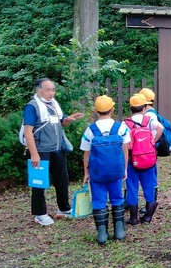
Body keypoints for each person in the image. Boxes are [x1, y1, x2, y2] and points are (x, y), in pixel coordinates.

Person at [21, 78, 84, 226]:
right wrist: (34, 153)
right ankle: (39, 213)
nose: (51, 93)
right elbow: (28, 132)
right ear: (38, 90)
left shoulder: (54, 105)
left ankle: (64, 208)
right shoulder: (32, 107)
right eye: (47, 90)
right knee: (39, 182)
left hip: (57, 148)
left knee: (62, 179)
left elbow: (60, 122)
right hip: (40, 150)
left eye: (53, 90)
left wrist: (68, 119)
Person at [80, 95, 130, 245]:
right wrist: (124, 169)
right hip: (116, 171)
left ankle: (102, 234)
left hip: (97, 173)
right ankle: (119, 231)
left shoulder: (91, 130)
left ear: (96, 111)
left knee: (99, 200)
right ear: (113, 109)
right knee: (117, 198)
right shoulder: (120, 127)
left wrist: (86, 173)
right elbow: (125, 151)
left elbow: (86, 154)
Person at [124, 94, 163, 225]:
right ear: (145, 107)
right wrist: (153, 141)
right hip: (148, 158)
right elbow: (160, 128)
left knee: (132, 187)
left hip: (132, 159)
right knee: (149, 185)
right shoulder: (149, 120)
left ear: (131, 108)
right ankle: (148, 216)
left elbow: (123, 142)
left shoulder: (126, 123)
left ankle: (133, 218)